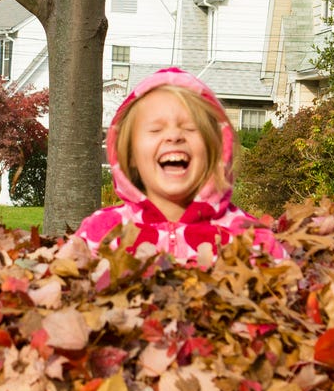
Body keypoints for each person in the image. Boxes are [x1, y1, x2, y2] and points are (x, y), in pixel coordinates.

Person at [72, 66, 286, 263]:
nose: (174, 136)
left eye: (190, 128)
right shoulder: (99, 233)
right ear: (129, 155)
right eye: (156, 129)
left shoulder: (252, 238)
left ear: (216, 149)